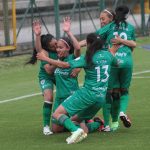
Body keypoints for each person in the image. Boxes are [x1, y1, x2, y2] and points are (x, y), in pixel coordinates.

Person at [37, 33, 119, 144]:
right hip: (100, 98)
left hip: (87, 94)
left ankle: (76, 131)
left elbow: (65, 65)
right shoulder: (108, 55)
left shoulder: (87, 58)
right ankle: (98, 123)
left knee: (56, 114)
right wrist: (114, 49)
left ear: (89, 44)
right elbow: (117, 63)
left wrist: (45, 58)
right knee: (75, 120)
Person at [96, 5, 136, 130]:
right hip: (127, 62)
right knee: (123, 91)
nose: (101, 21)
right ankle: (120, 114)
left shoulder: (109, 28)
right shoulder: (130, 27)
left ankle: (108, 124)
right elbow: (133, 44)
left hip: (112, 62)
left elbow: (92, 38)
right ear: (127, 15)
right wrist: (123, 42)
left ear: (112, 17)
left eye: (103, 19)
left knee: (109, 93)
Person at [27, 21, 58, 135]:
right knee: (49, 97)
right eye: (52, 46)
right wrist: (37, 35)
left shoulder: (60, 46)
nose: (56, 47)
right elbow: (49, 70)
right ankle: (46, 126)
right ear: (47, 47)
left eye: (55, 43)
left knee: (69, 95)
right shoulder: (45, 52)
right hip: (47, 77)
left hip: (59, 75)